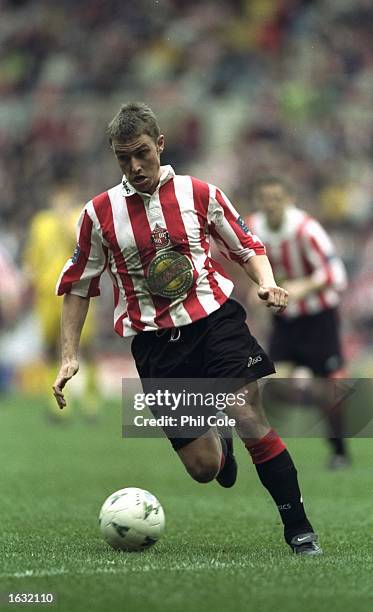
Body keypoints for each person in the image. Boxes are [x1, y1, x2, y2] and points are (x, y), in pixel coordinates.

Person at [53, 102, 321, 555]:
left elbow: (247, 246)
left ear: (160, 144)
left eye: (141, 152)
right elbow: (78, 286)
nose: (135, 166)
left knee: (248, 413)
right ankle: (218, 439)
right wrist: (68, 355)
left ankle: (299, 530)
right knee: (203, 468)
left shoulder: (201, 194)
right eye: (123, 157)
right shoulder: (98, 215)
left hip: (215, 321)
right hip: (156, 345)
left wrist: (267, 283)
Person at [247, 175, 349, 469]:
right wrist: (258, 291)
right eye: (265, 199)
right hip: (287, 321)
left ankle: (339, 453)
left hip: (319, 319)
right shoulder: (253, 227)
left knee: (328, 391)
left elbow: (335, 274)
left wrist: (302, 286)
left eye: (276, 199)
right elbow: (248, 262)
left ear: (289, 200)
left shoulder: (306, 229)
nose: (270, 205)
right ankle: (279, 449)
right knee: (275, 386)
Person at [24, 184, 99, 420]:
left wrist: (65, 219)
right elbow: (33, 257)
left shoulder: (79, 217)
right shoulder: (40, 222)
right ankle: (53, 400)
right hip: (47, 295)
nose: (61, 199)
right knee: (48, 347)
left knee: (85, 346)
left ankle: (91, 399)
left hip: (76, 292)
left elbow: (82, 247)